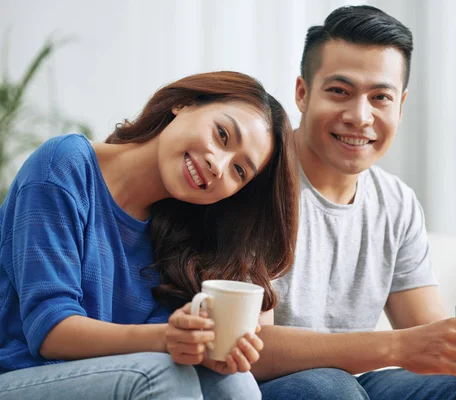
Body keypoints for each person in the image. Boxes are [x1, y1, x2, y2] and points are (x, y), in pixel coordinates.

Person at [253, 6, 456, 399]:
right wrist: (396, 347)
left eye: (380, 97)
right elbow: (251, 348)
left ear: (400, 105)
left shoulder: (395, 201)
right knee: (330, 388)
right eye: (339, 91)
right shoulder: (253, 180)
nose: (360, 116)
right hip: (267, 387)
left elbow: (431, 334)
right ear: (302, 93)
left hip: (356, 386)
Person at [0, 71, 299, 399]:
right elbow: (50, 332)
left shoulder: (182, 235)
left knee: (233, 382)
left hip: (113, 380)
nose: (219, 165)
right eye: (222, 134)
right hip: (21, 375)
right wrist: (165, 338)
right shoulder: (64, 166)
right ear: (183, 104)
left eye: (239, 171)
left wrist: (202, 348)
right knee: (162, 375)